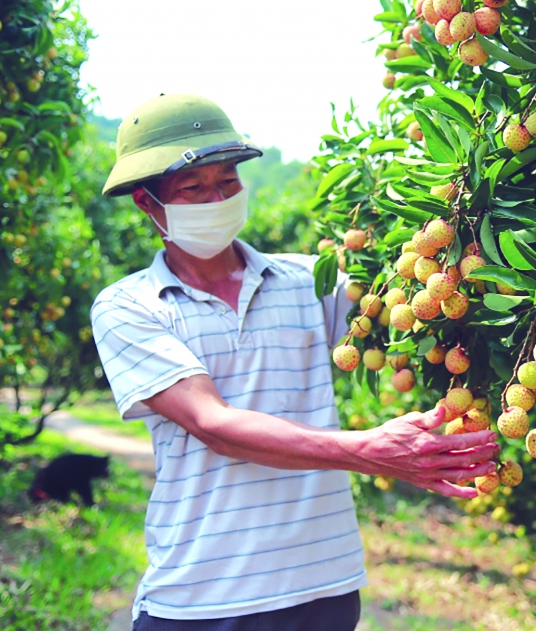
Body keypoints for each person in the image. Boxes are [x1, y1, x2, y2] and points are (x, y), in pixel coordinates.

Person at [90, 94, 499, 631]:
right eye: (193, 188)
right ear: (149, 204)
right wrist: (370, 451)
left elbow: (418, 297)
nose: (216, 197)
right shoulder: (128, 306)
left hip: (323, 590)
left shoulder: (314, 281)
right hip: (201, 599)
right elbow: (212, 424)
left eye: (228, 182)